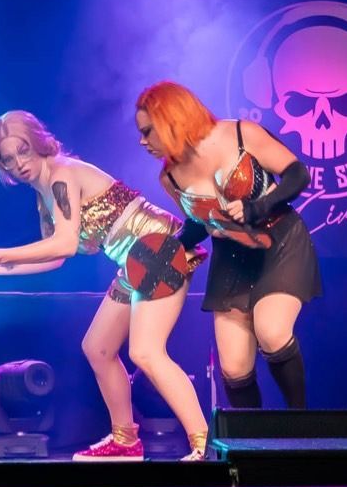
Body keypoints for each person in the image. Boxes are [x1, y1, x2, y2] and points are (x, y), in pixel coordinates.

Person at [0, 110, 210, 460]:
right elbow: (58, 256)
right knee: (98, 348)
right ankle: (125, 441)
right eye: (8, 159)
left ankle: (202, 444)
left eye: (23, 151)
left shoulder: (61, 175)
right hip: (136, 262)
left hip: (160, 251)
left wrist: (1, 254)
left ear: (37, 143)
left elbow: (62, 244)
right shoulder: (44, 192)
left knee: (146, 351)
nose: (18, 163)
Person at [135, 82, 320, 410]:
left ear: (171, 118)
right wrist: (172, 247)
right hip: (231, 258)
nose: (143, 141)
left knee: (272, 332)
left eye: (148, 131)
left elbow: (297, 175)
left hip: (279, 242)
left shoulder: (239, 133)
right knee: (234, 368)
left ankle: (302, 426)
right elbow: (199, 224)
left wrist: (257, 207)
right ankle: (254, 449)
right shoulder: (170, 178)